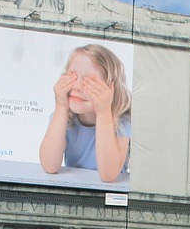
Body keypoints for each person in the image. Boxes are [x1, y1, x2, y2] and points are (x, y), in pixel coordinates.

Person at [39, 44, 131, 183]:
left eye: (90, 82)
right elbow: (49, 166)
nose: (77, 87)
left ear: (112, 89)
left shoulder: (122, 124)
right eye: (72, 77)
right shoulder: (62, 119)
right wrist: (61, 106)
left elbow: (108, 175)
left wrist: (104, 113)